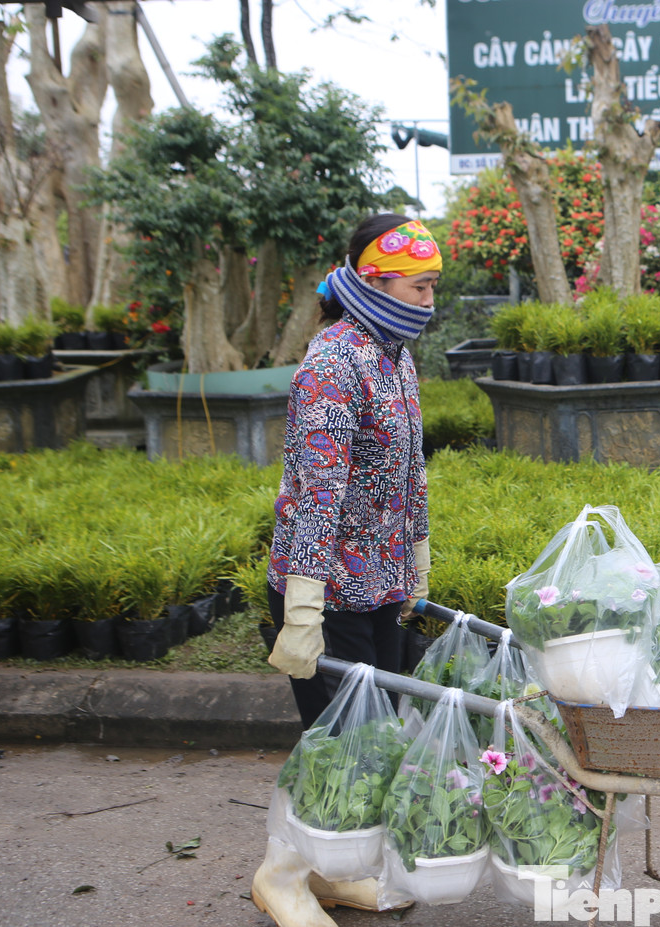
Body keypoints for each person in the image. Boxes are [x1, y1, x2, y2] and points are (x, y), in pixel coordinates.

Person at [253, 213, 440, 925]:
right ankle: (282, 875)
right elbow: (316, 496)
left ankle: (328, 873)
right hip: (326, 592)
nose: (429, 301)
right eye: (420, 288)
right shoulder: (333, 363)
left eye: (432, 288)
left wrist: (415, 562)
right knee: (337, 746)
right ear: (373, 280)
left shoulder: (393, 354)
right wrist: (302, 609)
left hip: (380, 586)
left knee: (371, 743)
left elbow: (409, 475)